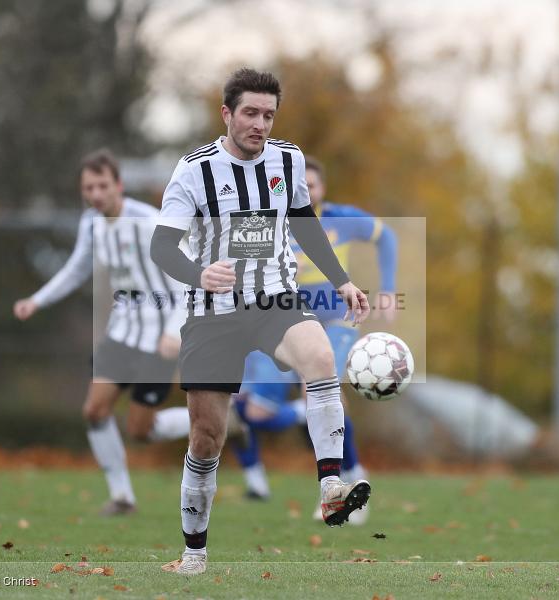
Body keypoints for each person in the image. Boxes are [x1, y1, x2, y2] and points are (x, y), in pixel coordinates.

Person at [150, 68, 371, 576]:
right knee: (207, 437)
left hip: (275, 299)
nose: (260, 124)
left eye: (269, 115)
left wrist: (341, 281)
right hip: (213, 313)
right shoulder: (194, 171)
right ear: (226, 114)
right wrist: (199, 274)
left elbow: (305, 224)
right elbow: (161, 246)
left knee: (319, 357)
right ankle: (194, 553)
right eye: (250, 113)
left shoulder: (288, 159)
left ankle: (331, 487)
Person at [14, 149, 191, 516]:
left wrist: (174, 331)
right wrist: (37, 300)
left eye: (102, 186)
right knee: (94, 411)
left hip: (158, 339)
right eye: (88, 188)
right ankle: (122, 497)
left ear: (119, 185)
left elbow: (189, 280)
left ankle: (211, 417)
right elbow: (76, 269)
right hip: (121, 333)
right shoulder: (90, 223)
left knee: (141, 430)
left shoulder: (150, 224)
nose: (95, 194)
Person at [233, 156, 398, 527]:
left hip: (336, 318)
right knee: (255, 413)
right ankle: (317, 432)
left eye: (312, 186)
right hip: (285, 319)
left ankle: (348, 480)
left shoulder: (342, 218)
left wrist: (387, 289)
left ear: (322, 189)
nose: (306, 191)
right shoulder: (269, 221)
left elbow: (387, 236)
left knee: (317, 388)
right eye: (300, 185)